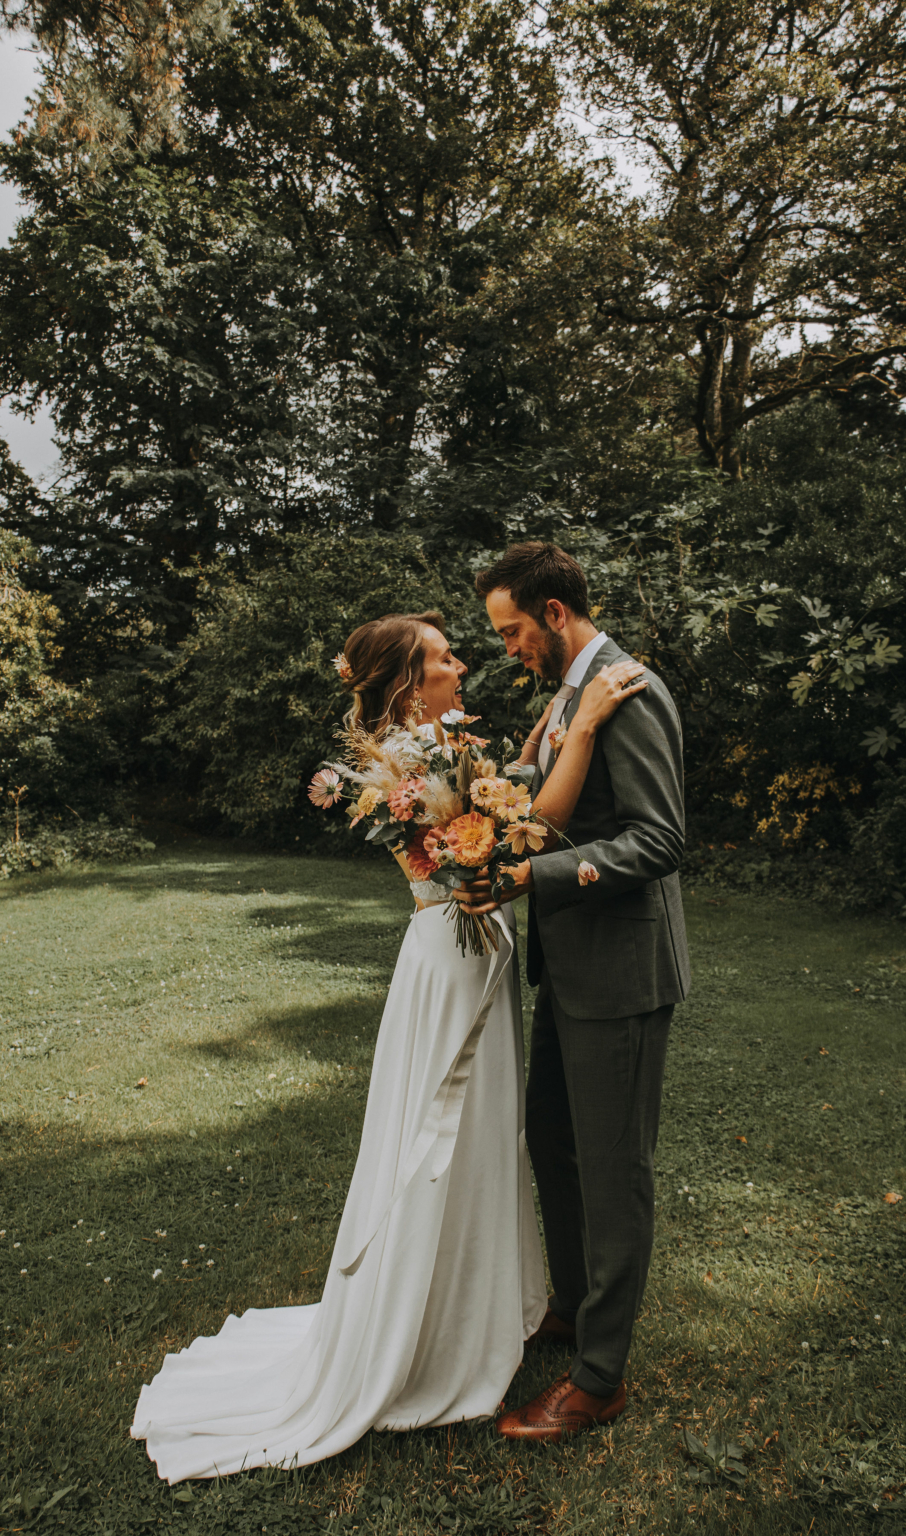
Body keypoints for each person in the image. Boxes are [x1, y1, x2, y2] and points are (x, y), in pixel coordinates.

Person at [130, 608, 646, 1484]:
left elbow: (506, 785)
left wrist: (545, 731)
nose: (462, 665)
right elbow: (528, 827)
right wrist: (587, 724)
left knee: (481, 1136)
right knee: (446, 1140)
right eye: (445, 658)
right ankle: (431, 1329)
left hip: (465, 954)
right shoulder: (405, 763)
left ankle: (474, 1304)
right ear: (411, 681)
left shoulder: (435, 745)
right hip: (453, 961)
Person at [460, 542, 690, 1443]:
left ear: (555, 613)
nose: (508, 648)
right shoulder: (567, 695)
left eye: (513, 630)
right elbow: (549, 803)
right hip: (570, 966)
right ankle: (573, 1307)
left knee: (613, 1167)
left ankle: (599, 1379)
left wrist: (534, 877)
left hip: (621, 973)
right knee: (551, 1136)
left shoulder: (630, 691)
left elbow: (658, 839)